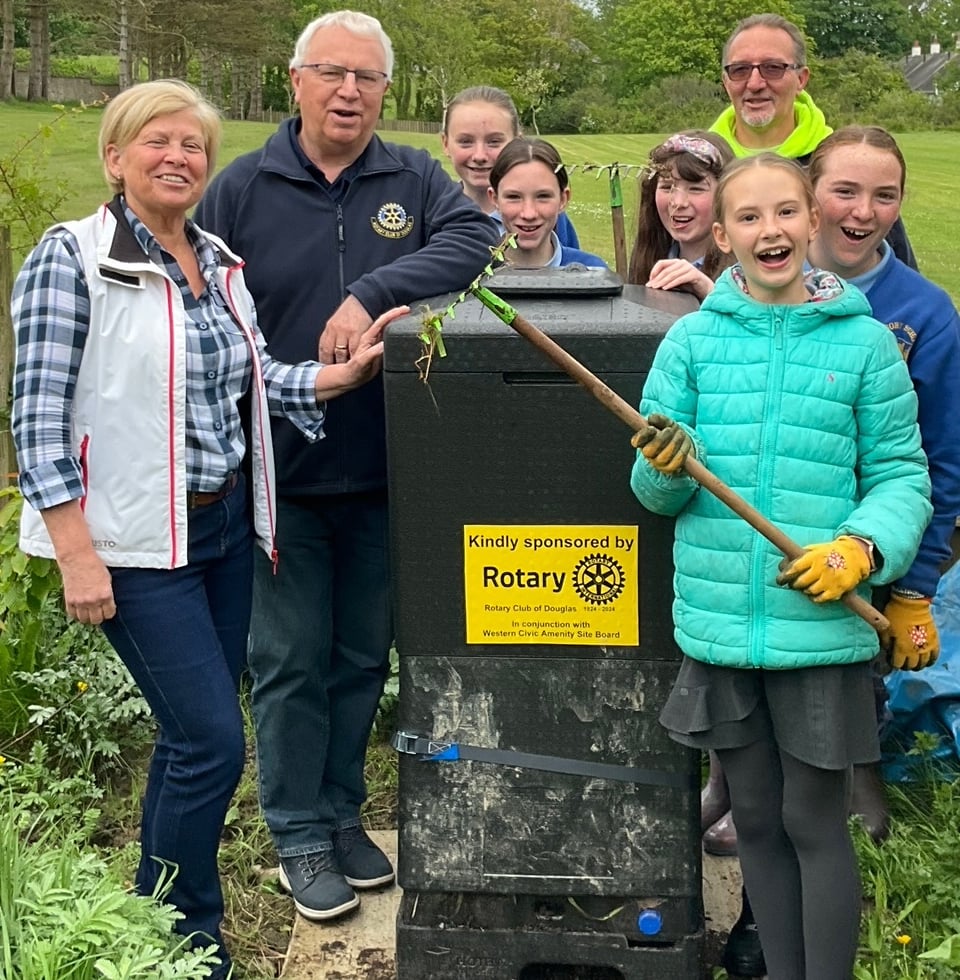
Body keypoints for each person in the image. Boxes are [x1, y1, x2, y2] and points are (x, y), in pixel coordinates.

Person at [10, 79, 406, 979]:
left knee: (191, 737)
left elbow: (257, 378)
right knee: (211, 743)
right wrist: (76, 551)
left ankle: (153, 910)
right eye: (156, 141)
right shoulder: (73, 258)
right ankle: (190, 932)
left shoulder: (217, 261)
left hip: (222, 532)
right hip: (133, 545)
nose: (177, 157)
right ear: (115, 157)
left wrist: (334, 382)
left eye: (193, 144)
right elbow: (34, 417)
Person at [193, 11, 498, 924]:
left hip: (387, 465)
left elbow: (473, 241)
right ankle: (294, 833)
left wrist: (373, 288)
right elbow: (205, 307)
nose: (350, 93)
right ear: (296, 81)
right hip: (279, 473)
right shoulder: (241, 189)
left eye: (367, 79)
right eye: (332, 73)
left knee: (364, 655)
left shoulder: (411, 177)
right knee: (288, 659)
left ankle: (340, 812)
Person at [629, 153, 931, 980]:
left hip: (820, 631)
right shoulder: (689, 341)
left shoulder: (865, 345)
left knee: (814, 825)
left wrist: (860, 549)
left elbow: (903, 476)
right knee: (755, 820)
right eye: (751, 219)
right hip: (722, 628)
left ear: (813, 222)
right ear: (721, 236)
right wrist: (661, 462)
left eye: (786, 213)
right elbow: (655, 495)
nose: (772, 231)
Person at [715, 126, 960, 978]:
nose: (862, 211)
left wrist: (905, 580)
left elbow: (929, 465)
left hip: (846, 591)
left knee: (826, 800)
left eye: (883, 196)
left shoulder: (911, 319)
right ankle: (760, 937)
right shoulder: (726, 310)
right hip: (741, 607)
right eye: (844, 193)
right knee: (755, 804)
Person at [709, 12, 915, 267]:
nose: (755, 83)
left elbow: (896, 281)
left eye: (773, 68)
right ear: (726, 81)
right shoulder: (700, 163)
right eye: (740, 70)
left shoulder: (842, 165)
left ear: (801, 79)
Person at [441, 85, 581, 249]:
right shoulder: (435, 216)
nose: (479, 156)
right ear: (445, 144)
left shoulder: (552, 220)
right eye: (466, 142)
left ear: (517, 142)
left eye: (494, 142)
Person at [627, 130, 733, 300]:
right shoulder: (646, 259)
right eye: (667, 187)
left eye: (696, 189)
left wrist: (708, 291)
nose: (678, 202)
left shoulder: (748, 271)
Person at [488, 137, 607, 269]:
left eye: (543, 196)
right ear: (495, 199)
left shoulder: (593, 272)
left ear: (563, 199)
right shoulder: (472, 272)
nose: (529, 214)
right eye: (514, 197)